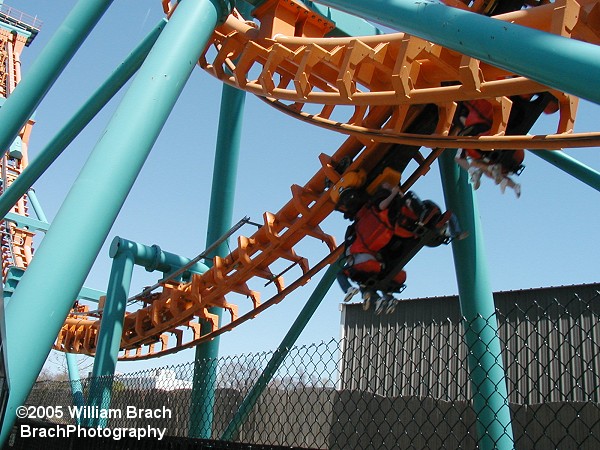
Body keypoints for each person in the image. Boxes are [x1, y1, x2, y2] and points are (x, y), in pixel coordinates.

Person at [338, 184, 464, 314]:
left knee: (360, 278)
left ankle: (367, 295)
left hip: (373, 257)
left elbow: (382, 207)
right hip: (403, 234)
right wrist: (395, 193)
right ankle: (383, 297)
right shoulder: (392, 210)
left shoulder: (368, 224)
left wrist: (393, 193)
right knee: (370, 276)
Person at [455, 99, 524, 197]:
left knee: (469, 160)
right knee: (469, 161)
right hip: (480, 131)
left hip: (478, 132)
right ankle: (477, 173)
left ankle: (477, 173)